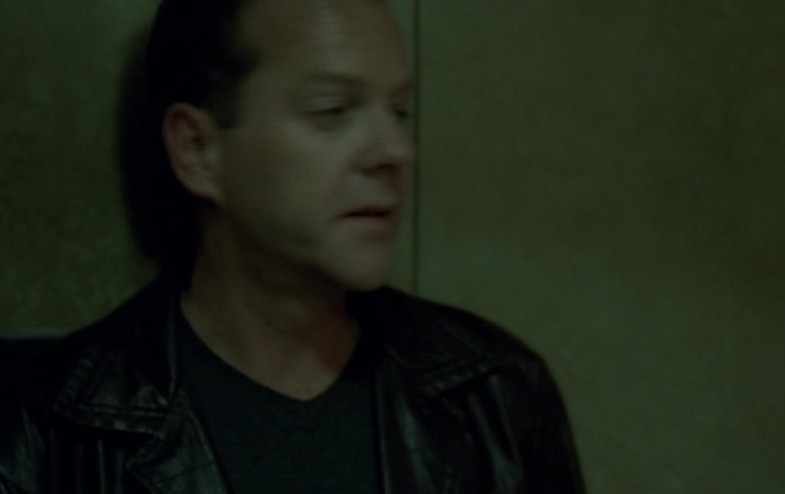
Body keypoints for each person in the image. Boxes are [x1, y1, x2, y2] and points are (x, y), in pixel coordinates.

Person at [0, 0, 586, 492]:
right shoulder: (52, 433)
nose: (393, 151)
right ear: (198, 150)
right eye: (332, 111)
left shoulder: (495, 399)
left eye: (399, 111)